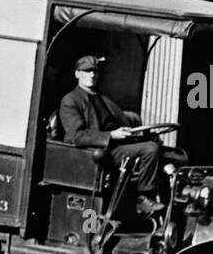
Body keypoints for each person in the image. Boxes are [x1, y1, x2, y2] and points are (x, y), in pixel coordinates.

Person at [58, 55, 164, 216]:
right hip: (98, 152)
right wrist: (111, 135)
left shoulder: (102, 99)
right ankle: (143, 198)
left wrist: (139, 134)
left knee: (166, 151)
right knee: (150, 149)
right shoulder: (71, 100)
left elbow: (118, 122)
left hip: (115, 146)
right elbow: (76, 136)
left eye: (94, 71)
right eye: (87, 71)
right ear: (77, 74)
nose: (92, 75)